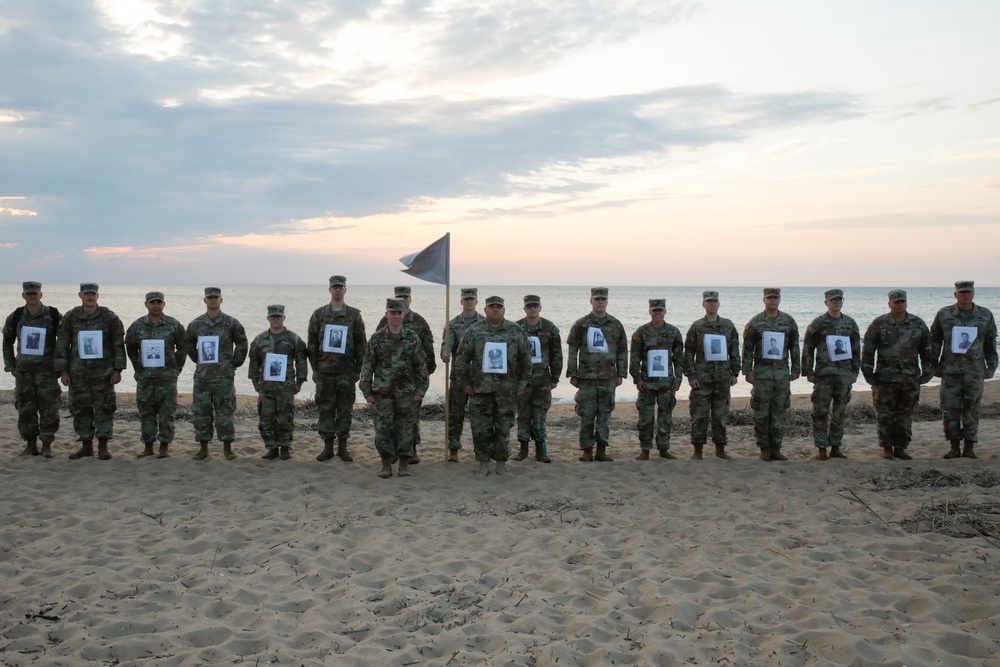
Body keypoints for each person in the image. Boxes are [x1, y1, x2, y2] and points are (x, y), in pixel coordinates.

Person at [454, 296, 532, 476]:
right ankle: (483, 463)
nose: (495, 310)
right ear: (486, 309)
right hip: (480, 390)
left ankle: (501, 463)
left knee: (504, 428)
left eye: (499, 307)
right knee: (481, 429)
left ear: (504, 310)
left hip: (507, 390)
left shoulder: (516, 331)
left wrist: (523, 383)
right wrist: (464, 383)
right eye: (492, 307)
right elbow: (462, 359)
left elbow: (526, 359)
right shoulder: (474, 331)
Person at [861, 289, 935, 460]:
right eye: (896, 302)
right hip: (885, 379)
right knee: (885, 415)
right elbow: (868, 351)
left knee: (905, 415)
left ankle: (901, 447)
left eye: (902, 301)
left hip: (910, 379)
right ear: (889, 304)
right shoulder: (878, 324)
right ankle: (887, 447)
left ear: (906, 303)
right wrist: (868, 374)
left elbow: (927, 350)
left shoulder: (918, 324)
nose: (900, 304)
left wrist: (927, 373)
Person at [54, 283, 125, 460]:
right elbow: (62, 344)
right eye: (87, 294)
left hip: (104, 375)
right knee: (80, 410)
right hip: (78, 374)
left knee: (104, 409)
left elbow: (118, 345)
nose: (90, 297)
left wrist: (118, 370)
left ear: (98, 295)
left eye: (93, 293)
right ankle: (86, 446)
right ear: (80, 295)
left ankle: (103, 446)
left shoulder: (109, 317)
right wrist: (63, 371)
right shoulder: (71, 317)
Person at [360, 298, 429, 478]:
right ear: (386, 314)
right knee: (383, 429)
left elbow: (421, 366)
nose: (396, 316)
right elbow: (368, 366)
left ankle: (404, 465)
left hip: (407, 393)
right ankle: (386, 464)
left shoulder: (412, 338)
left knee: (405, 428)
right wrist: (366, 391)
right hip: (382, 393)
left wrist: (421, 391)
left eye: (399, 313)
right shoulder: (376, 338)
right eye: (393, 313)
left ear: (404, 314)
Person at [930, 280, 998, 459]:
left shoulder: (985, 315)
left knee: (972, 410)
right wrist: (934, 366)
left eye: (968, 292)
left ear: (973, 293)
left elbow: (991, 344)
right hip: (950, 371)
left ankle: (969, 447)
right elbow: (934, 341)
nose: (965, 295)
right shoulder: (944, 314)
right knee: (949, 410)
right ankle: (953, 447)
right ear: (955, 294)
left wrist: (992, 367)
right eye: (962, 292)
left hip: (975, 372)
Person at [307, 275, 367, 462]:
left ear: (345, 290)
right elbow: (312, 344)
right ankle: (327, 447)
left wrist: (359, 369)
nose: (338, 290)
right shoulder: (319, 315)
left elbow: (361, 344)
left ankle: (342, 446)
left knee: (345, 409)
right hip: (324, 371)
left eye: (341, 287)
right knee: (325, 408)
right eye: (335, 287)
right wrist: (315, 368)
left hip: (346, 371)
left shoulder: (354, 315)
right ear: (330, 290)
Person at [184, 287, 248, 461]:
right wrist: (199, 360)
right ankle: (203, 448)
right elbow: (188, 345)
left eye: (216, 297)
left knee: (225, 412)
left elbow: (242, 344)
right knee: (201, 413)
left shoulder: (231, 323)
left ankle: (227, 448)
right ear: (204, 300)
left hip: (223, 377)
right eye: (209, 297)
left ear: (221, 300)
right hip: (203, 377)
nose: (213, 300)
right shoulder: (196, 324)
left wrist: (234, 363)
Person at [566, 287, 628, 462]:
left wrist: (621, 373)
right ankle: (586, 450)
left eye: (603, 299)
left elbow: (622, 350)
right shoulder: (581, 324)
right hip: (586, 377)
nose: (600, 302)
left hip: (608, 377)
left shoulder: (616, 325)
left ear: (607, 301)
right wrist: (572, 373)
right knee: (586, 414)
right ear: (591, 300)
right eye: (597, 299)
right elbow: (572, 348)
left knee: (605, 414)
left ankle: (601, 450)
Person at [377, 286, 436, 464]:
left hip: (410, 381)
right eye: (399, 296)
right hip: (389, 380)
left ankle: (412, 449)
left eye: (405, 297)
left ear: (410, 299)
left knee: (411, 417)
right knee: (391, 418)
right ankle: (394, 450)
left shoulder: (419, 321)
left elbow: (428, 350)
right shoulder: (384, 321)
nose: (402, 299)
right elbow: (376, 348)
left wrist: (424, 376)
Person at [2, 281, 62, 457]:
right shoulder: (16, 316)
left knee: (49, 408)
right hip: (24, 372)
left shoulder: (53, 314)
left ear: (41, 294)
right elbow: (7, 342)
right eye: (29, 294)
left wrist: (61, 365)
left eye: (35, 293)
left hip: (47, 371)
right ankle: (30, 444)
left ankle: (46, 444)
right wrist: (10, 365)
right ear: (23, 296)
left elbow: (65, 339)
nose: (32, 296)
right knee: (25, 408)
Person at [124, 291, 186, 458]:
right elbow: (130, 347)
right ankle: (148, 446)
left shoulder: (173, 325)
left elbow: (183, 347)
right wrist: (138, 366)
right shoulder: (137, 326)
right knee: (146, 412)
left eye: (159, 302)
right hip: (145, 378)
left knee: (167, 413)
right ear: (146, 304)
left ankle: (164, 446)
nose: (156, 305)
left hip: (167, 378)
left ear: (164, 304)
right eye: (152, 302)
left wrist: (176, 368)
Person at [801, 289, 861, 461]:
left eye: (839, 299)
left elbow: (856, 349)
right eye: (833, 300)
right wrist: (808, 371)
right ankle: (821, 448)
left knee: (840, 412)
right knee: (820, 411)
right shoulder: (818, 323)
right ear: (826, 302)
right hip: (823, 375)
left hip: (843, 374)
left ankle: (835, 446)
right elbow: (808, 348)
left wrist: (855, 371)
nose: (836, 302)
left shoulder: (850, 323)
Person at [743, 288, 800, 461]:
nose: (772, 300)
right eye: (769, 298)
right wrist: (747, 371)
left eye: (775, 298)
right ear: (764, 300)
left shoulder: (788, 321)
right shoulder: (755, 323)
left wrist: (797, 368)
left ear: (780, 300)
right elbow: (747, 348)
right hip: (762, 374)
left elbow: (794, 347)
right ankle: (764, 448)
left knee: (779, 412)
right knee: (761, 412)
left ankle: (776, 447)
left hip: (782, 374)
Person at [683, 290, 741, 460]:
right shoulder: (697, 327)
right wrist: (691, 376)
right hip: (702, 380)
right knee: (699, 415)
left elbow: (734, 350)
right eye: (709, 301)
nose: (712, 304)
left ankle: (720, 449)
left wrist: (735, 372)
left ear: (718, 304)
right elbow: (688, 353)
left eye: (714, 301)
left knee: (721, 415)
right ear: (703, 304)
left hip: (722, 378)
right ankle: (698, 450)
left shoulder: (728, 326)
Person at [249, 305, 307, 460]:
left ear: (284, 318)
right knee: (266, 418)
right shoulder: (260, 339)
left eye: (278, 316)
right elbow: (254, 362)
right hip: (266, 386)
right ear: (268, 318)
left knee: (285, 418)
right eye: (273, 316)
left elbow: (301, 361)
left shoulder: (293, 339)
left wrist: (299, 382)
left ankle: (285, 447)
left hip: (286, 386)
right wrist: (255, 382)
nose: (276, 319)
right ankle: (271, 447)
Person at [629, 298, 684, 461]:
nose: (657, 313)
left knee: (665, 417)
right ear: (650, 312)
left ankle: (663, 448)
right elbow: (634, 358)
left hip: (667, 384)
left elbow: (679, 359)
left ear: (665, 312)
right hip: (647, 384)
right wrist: (637, 378)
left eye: (660, 310)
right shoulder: (641, 332)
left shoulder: (674, 332)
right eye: (655, 310)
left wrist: (678, 378)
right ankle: (645, 449)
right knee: (645, 418)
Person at [514, 294, 563, 463]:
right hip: (523, 379)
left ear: (540, 307)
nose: (532, 309)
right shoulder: (516, 327)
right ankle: (523, 449)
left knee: (540, 415)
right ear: (525, 309)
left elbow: (557, 355)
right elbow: (511, 355)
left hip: (543, 378)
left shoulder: (550, 328)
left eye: (535, 305)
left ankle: (541, 451)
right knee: (522, 414)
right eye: (529, 306)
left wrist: (555, 378)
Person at [441, 288, 484, 461]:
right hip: (459, 376)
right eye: (466, 299)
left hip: (480, 377)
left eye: (471, 299)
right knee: (455, 414)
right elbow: (446, 343)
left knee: (480, 416)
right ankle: (453, 450)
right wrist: (445, 353)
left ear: (476, 301)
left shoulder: (484, 322)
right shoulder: (452, 324)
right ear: (461, 301)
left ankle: (480, 450)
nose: (468, 302)